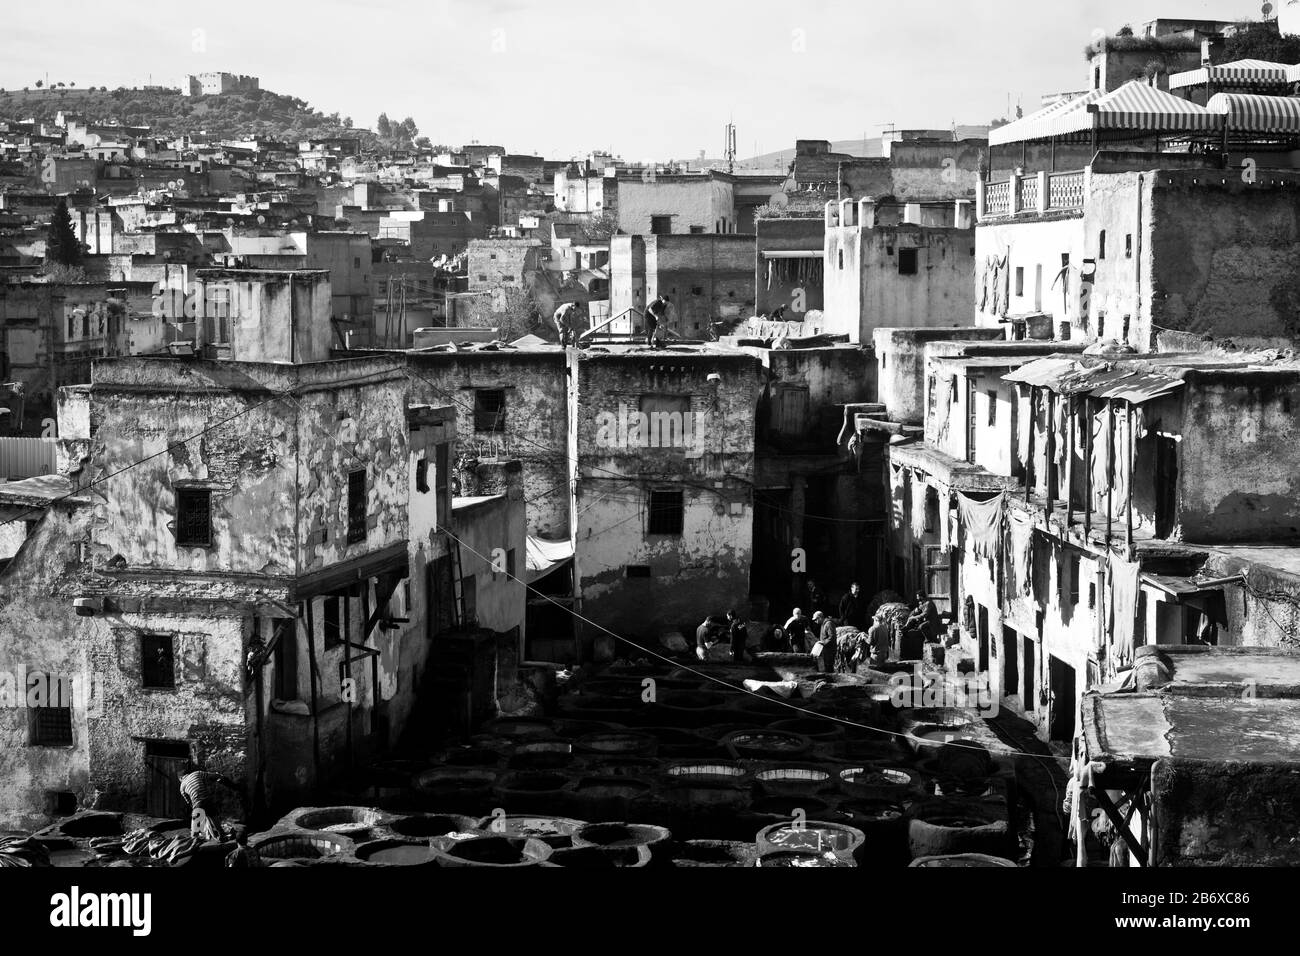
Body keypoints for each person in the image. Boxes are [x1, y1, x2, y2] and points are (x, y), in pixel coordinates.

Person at [179, 767, 241, 842]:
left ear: (181, 778)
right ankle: (222, 835)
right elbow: (211, 775)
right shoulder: (196, 773)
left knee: (196, 824)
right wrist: (220, 777)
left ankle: (194, 840)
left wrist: (195, 810)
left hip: (197, 803)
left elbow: (188, 801)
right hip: (207, 799)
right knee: (214, 817)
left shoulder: (182, 786)